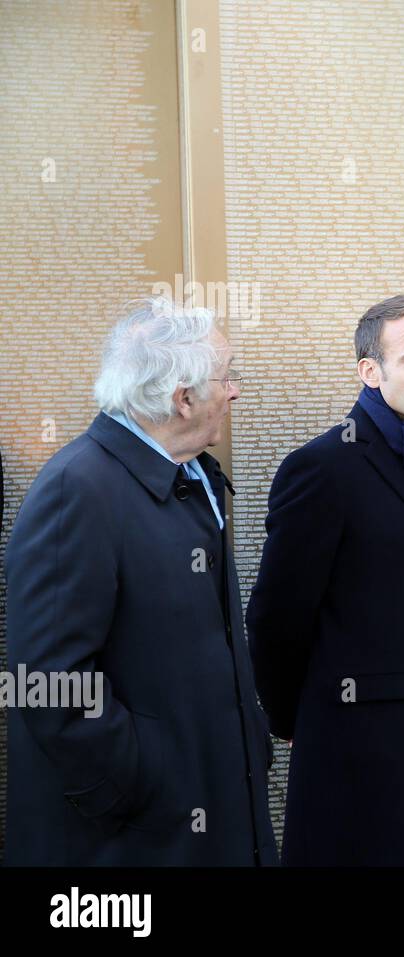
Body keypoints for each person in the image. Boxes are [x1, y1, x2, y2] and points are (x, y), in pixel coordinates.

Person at [4, 297, 277, 865]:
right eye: (225, 378)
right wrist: (145, 779)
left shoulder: (188, 473)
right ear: (182, 399)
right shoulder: (75, 491)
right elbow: (45, 682)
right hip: (137, 844)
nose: (234, 391)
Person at [247, 294, 404, 866]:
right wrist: (290, 717)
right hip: (353, 748)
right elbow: (276, 616)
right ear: (369, 372)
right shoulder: (324, 467)